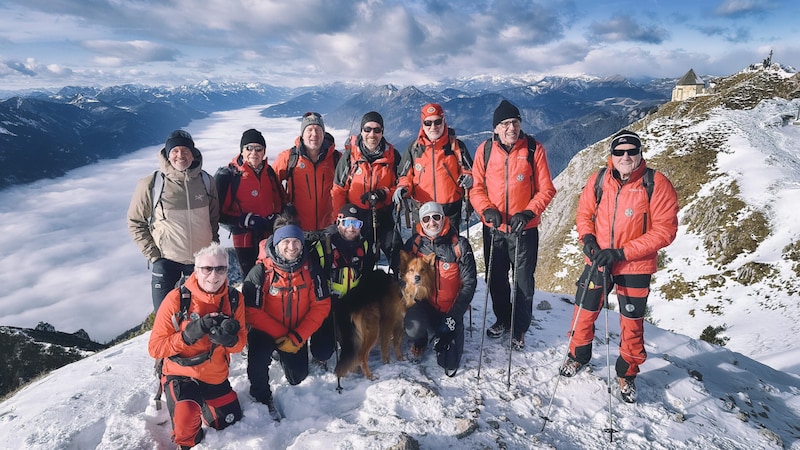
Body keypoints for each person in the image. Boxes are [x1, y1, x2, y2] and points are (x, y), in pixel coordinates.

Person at [559, 129, 678, 403]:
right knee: (584, 311)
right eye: (619, 152)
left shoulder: (655, 183)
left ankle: (627, 372)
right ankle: (578, 355)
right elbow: (584, 214)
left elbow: (665, 231)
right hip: (599, 260)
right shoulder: (599, 179)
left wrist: (622, 252)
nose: (625, 156)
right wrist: (588, 240)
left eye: (631, 151)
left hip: (634, 266)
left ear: (640, 153)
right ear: (611, 155)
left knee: (632, 323)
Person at [470, 100, 556, 350]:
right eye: (505, 123)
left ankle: (519, 329)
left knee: (523, 282)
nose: (511, 128)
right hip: (494, 229)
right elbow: (476, 188)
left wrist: (528, 213)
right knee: (496, 279)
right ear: (495, 128)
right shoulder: (484, 151)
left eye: (515, 123)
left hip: (523, 231)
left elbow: (546, 189)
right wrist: (486, 210)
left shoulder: (533, 149)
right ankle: (503, 319)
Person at [148, 242, 246, 449]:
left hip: (214, 373)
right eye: (207, 269)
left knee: (229, 421)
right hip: (181, 372)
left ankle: (204, 404)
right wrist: (187, 336)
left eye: (220, 269)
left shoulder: (235, 299)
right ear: (196, 270)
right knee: (187, 430)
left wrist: (230, 341)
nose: (214, 275)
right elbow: (155, 348)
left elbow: (240, 344)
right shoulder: (176, 299)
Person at [242, 220, 331, 419]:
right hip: (265, 331)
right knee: (257, 360)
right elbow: (252, 311)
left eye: (296, 241)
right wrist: (283, 335)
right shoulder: (261, 271)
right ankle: (261, 396)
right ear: (276, 244)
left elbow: (322, 305)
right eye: (286, 241)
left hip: (296, 332)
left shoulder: (311, 269)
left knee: (297, 377)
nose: (292, 247)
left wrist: (298, 337)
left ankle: (282, 354)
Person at [128, 129, 219, 312]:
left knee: (203, 319)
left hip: (200, 263)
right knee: (166, 322)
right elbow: (135, 222)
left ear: (193, 154)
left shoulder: (207, 181)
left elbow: (213, 219)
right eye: (175, 151)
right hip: (167, 264)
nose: (180, 156)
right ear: (167, 154)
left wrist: (213, 248)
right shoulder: (152, 184)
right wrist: (154, 256)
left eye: (185, 151)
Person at [402, 202, 476, 376]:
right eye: (426, 219)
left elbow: (469, 283)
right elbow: (402, 272)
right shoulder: (415, 244)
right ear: (421, 222)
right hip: (424, 305)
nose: (432, 222)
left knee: (449, 364)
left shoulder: (459, 246)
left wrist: (453, 316)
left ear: (443, 218)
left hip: (451, 310)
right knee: (413, 327)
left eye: (436, 217)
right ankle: (420, 341)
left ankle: (443, 335)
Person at [332, 111, 402, 272]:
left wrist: (383, 193)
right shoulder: (350, 157)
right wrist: (341, 220)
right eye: (368, 129)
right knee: (363, 260)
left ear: (382, 132)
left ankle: (403, 290)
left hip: (382, 216)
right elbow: (338, 190)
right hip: (356, 219)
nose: (372, 134)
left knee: (397, 253)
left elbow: (401, 186)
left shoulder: (392, 157)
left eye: (377, 130)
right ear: (361, 131)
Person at [309, 203, 376, 365]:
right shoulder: (323, 246)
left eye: (356, 224)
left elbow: (367, 275)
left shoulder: (365, 245)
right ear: (338, 223)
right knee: (322, 352)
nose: (351, 228)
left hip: (353, 304)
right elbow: (312, 279)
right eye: (347, 223)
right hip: (328, 304)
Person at [215, 128, 286, 277]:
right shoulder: (229, 175)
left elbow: (280, 200)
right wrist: (245, 220)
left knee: (272, 274)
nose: (254, 152)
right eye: (249, 148)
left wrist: (276, 217)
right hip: (244, 239)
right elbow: (218, 214)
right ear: (242, 151)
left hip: (269, 234)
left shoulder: (269, 172)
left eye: (258, 148)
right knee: (250, 278)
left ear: (264, 152)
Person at [394, 103, 474, 230]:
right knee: (421, 248)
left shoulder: (456, 146)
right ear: (422, 124)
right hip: (421, 209)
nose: (433, 127)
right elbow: (404, 176)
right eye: (428, 123)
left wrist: (468, 178)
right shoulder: (414, 149)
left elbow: (469, 170)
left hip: (450, 210)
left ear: (444, 121)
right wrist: (403, 188)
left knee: (450, 248)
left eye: (437, 122)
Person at [273, 112, 341, 238]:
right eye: (309, 129)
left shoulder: (336, 158)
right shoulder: (289, 158)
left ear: (323, 134)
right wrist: (284, 204)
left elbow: (348, 186)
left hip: (329, 229)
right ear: (302, 134)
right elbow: (271, 183)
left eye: (318, 130)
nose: (314, 134)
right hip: (298, 229)